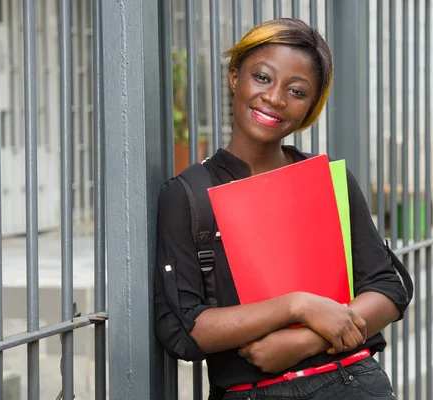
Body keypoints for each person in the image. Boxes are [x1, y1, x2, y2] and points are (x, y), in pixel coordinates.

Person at [154, 18, 411, 400]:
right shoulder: (190, 194)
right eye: (262, 78)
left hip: (351, 382)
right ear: (234, 77)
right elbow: (183, 332)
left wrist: (304, 341)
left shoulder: (326, 179)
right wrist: (297, 305)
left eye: (296, 90)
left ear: (310, 107)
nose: (274, 98)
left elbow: (389, 289)